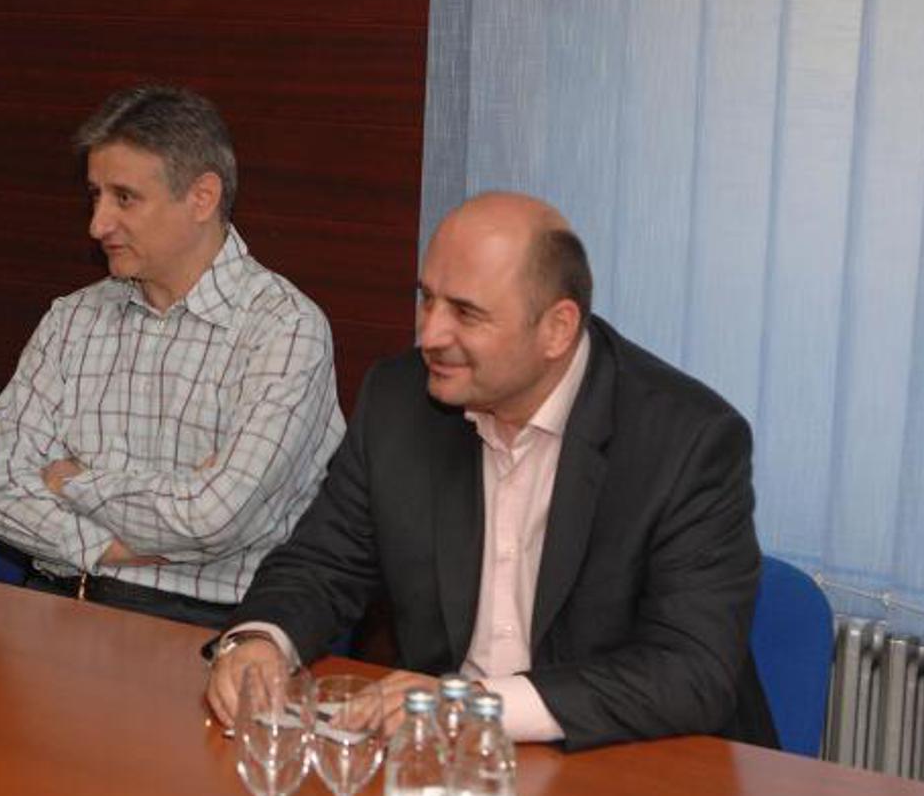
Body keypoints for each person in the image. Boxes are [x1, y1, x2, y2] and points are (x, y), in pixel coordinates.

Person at [206, 192, 776, 751]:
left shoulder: (686, 440)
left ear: (557, 328)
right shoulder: (398, 400)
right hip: (438, 765)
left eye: (466, 313)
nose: (429, 335)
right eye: (426, 299)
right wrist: (262, 640)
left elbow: (689, 670)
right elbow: (322, 563)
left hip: (626, 764)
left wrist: (473, 706)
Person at [0, 85, 344, 627]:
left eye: (124, 198)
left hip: (197, 623)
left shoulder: (285, 330)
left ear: (202, 197)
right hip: (53, 602)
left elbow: (214, 518)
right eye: (95, 195)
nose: (97, 224)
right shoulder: (72, 318)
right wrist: (111, 548)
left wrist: (69, 480)